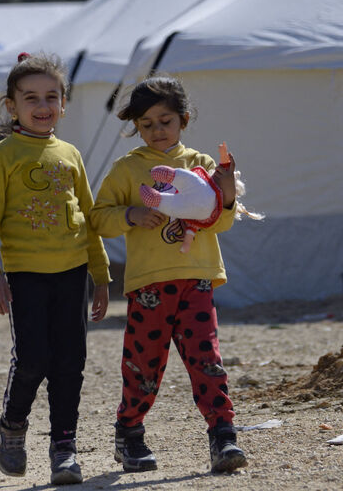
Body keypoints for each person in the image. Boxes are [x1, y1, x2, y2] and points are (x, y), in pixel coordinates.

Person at [89, 75, 256, 475]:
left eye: (165, 121)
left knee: (207, 360)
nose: (156, 131)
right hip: (149, 285)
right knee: (143, 365)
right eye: (146, 124)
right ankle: (129, 434)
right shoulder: (127, 169)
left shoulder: (202, 165)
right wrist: (131, 214)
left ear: (183, 119)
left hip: (197, 280)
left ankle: (224, 436)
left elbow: (220, 223)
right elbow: (98, 218)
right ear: (135, 127)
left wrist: (228, 197)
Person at [0, 52, 111, 486]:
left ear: (64, 103)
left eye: (52, 96)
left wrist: (102, 275)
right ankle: (13, 427)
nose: (42, 105)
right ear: (11, 105)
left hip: (72, 273)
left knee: (70, 362)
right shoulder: (1, 156)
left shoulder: (70, 153)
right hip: (24, 275)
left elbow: (88, 218)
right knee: (32, 358)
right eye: (30, 97)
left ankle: (64, 450)